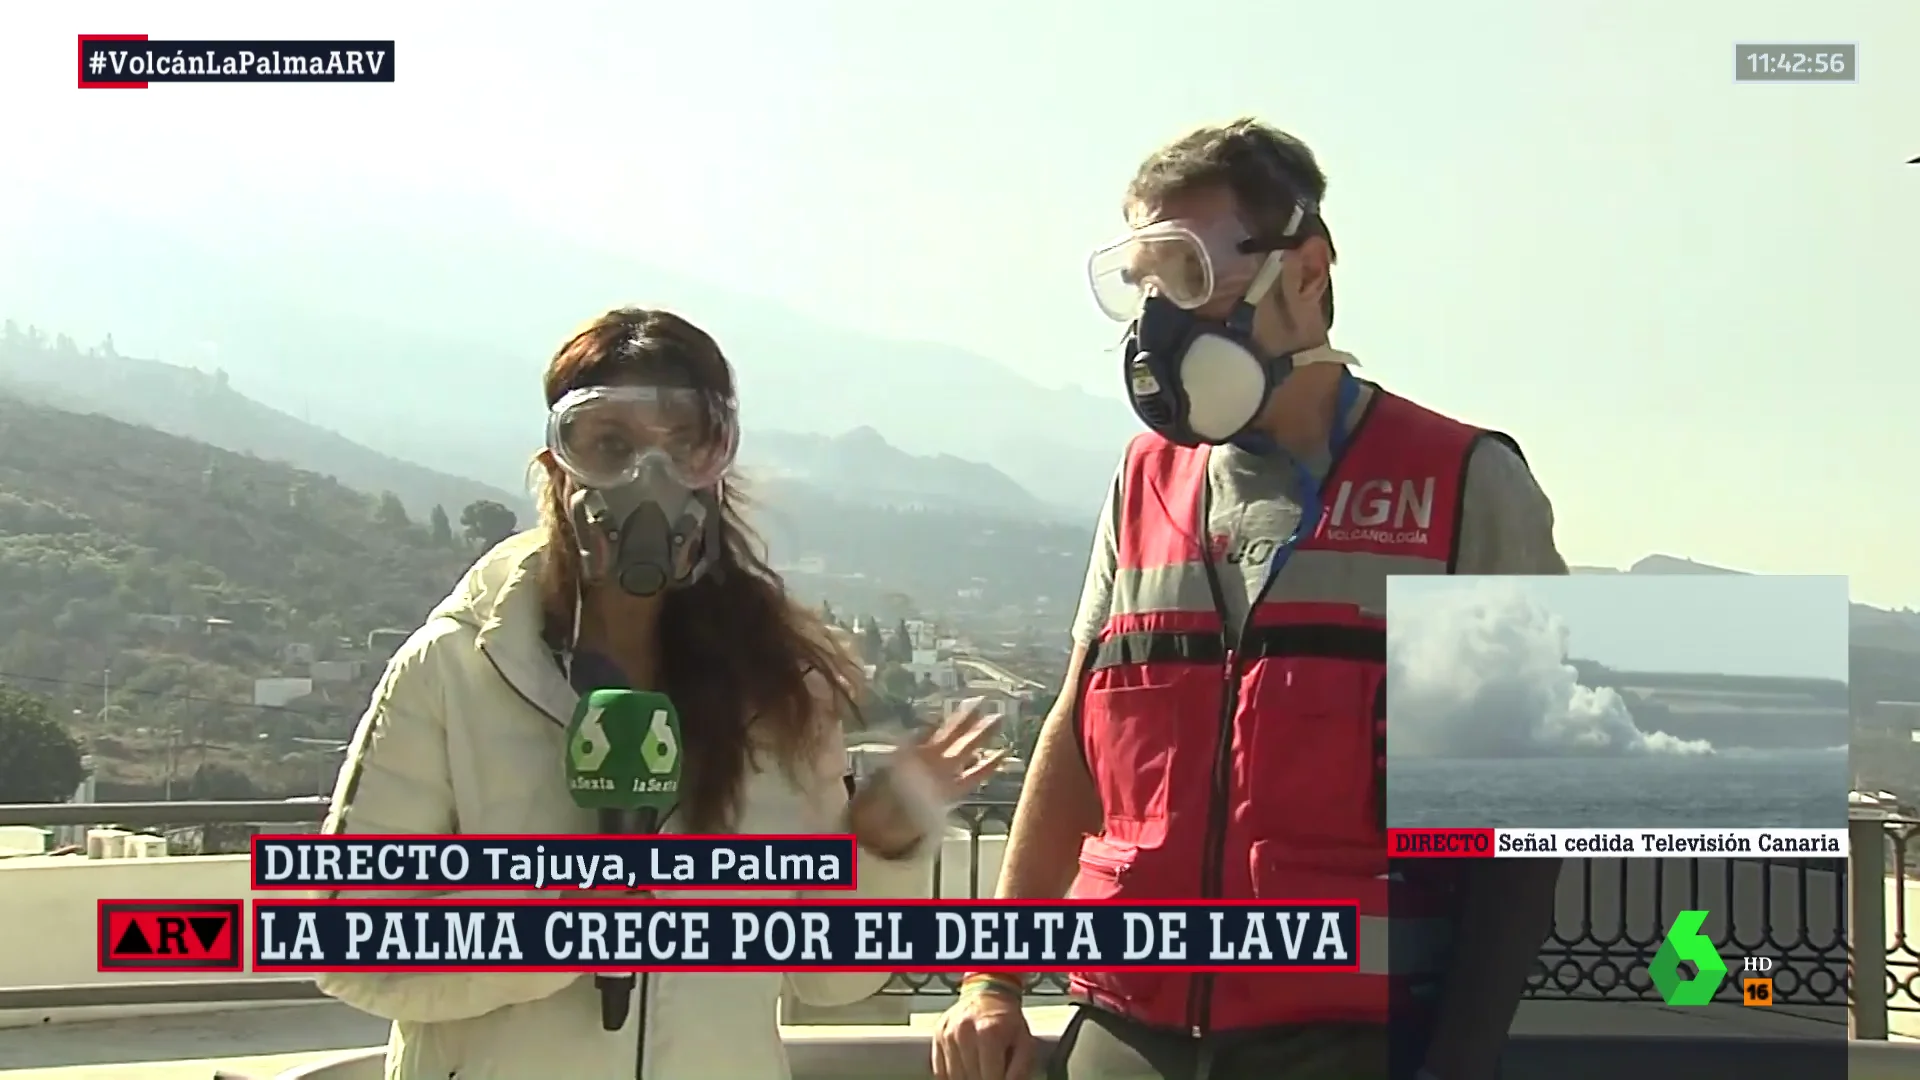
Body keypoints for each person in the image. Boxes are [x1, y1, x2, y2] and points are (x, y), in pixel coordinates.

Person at [933, 119, 1567, 1080]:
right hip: (1127, 1027)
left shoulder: (1465, 483)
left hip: (1348, 1035)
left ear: (1306, 270)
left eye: (1189, 277)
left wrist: (1460, 1061)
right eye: (1144, 284)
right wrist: (996, 980)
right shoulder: (1145, 478)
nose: (1161, 320)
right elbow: (1075, 731)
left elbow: (1526, 827)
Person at [316, 307, 1005, 1080]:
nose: (651, 479)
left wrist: (876, 849)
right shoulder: (455, 672)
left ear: (718, 468)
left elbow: (831, 976)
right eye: (609, 445)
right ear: (557, 467)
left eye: (685, 445)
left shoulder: (779, 689)